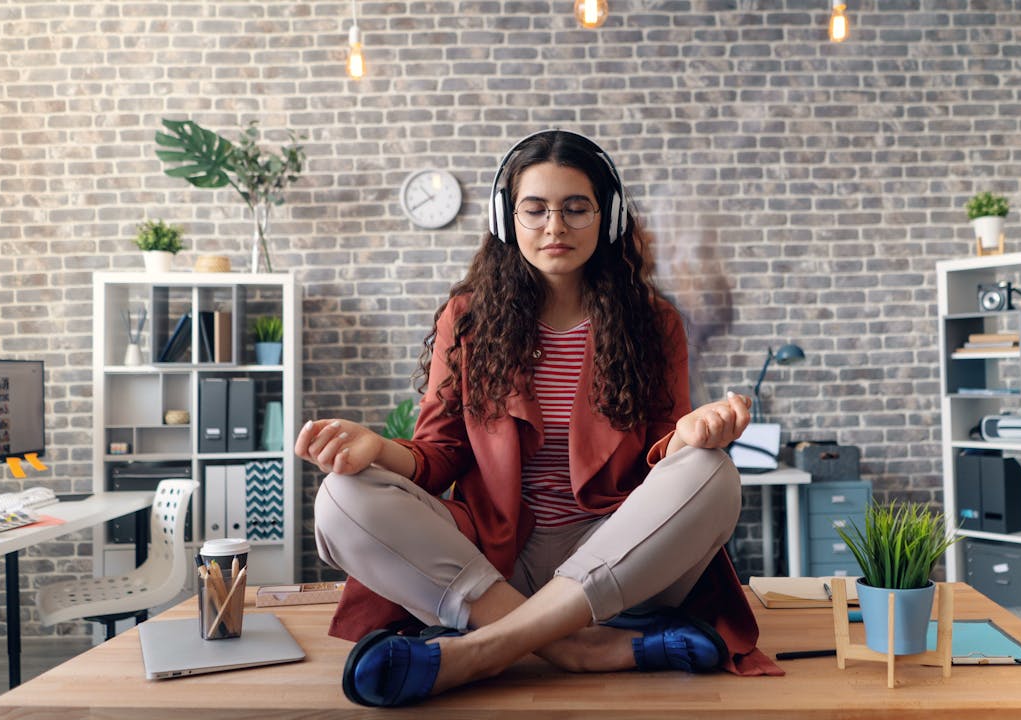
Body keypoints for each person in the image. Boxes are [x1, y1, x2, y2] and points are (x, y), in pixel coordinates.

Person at [296, 130, 782, 707]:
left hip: (615, 556)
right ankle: (580, 648)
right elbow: (439, 455)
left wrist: (692, 435)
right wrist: (375, 449)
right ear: (509, 219)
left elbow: (663, 459)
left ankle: (482, 650)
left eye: (577, 208)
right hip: (491, 563)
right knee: (340, 498)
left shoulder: (654, 323)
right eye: (536, 209)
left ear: (610, 217)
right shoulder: (469, 318)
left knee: (711, 471)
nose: (556, 227)